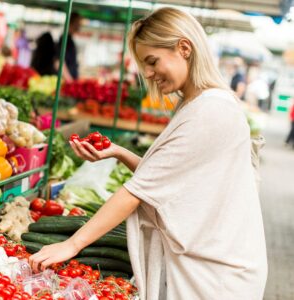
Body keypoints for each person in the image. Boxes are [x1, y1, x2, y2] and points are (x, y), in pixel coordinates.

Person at [30, 7, 267, 300]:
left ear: (184, 48)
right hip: (215, 262)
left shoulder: (210, 110)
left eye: (152, 61)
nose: (148, 73)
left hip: (217, 276)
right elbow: (170, 177)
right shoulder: (199, 103)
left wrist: (72, 245)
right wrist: (119, 153)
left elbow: (137, 192)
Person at [58, 13, 82, 81]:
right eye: (78, 23)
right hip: (66, 81)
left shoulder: (69, 39)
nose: (79, 26)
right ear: (72, 22)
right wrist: (69, 80)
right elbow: (59, 62)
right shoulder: (65, 39)